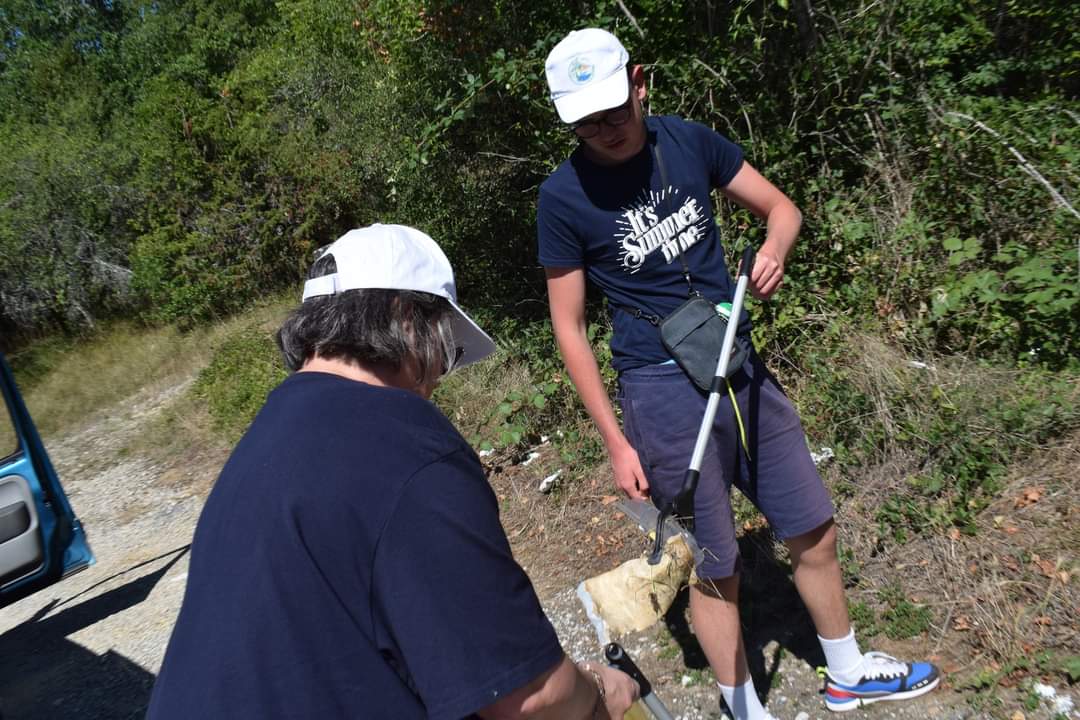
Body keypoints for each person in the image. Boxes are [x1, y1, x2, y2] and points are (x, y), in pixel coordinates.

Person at [537, 28, 939, 718]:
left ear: (640, 82)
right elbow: (568, 327)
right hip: (660, 388)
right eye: (585, 120)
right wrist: (615, 440)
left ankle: (845, 673)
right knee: (713, 564)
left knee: (813, 527)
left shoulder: (691, 141)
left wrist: (774, 250)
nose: (604, 130)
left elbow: (782, 209)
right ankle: (742, 708)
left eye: (614, 110)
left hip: (739, 367)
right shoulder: (563, 197)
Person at [147, 223, 638, 719]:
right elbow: (529, 697)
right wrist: (599, 689)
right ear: (407, 319)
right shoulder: (404, 450)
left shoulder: (268, 436)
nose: (439, 379)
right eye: (448, 352)